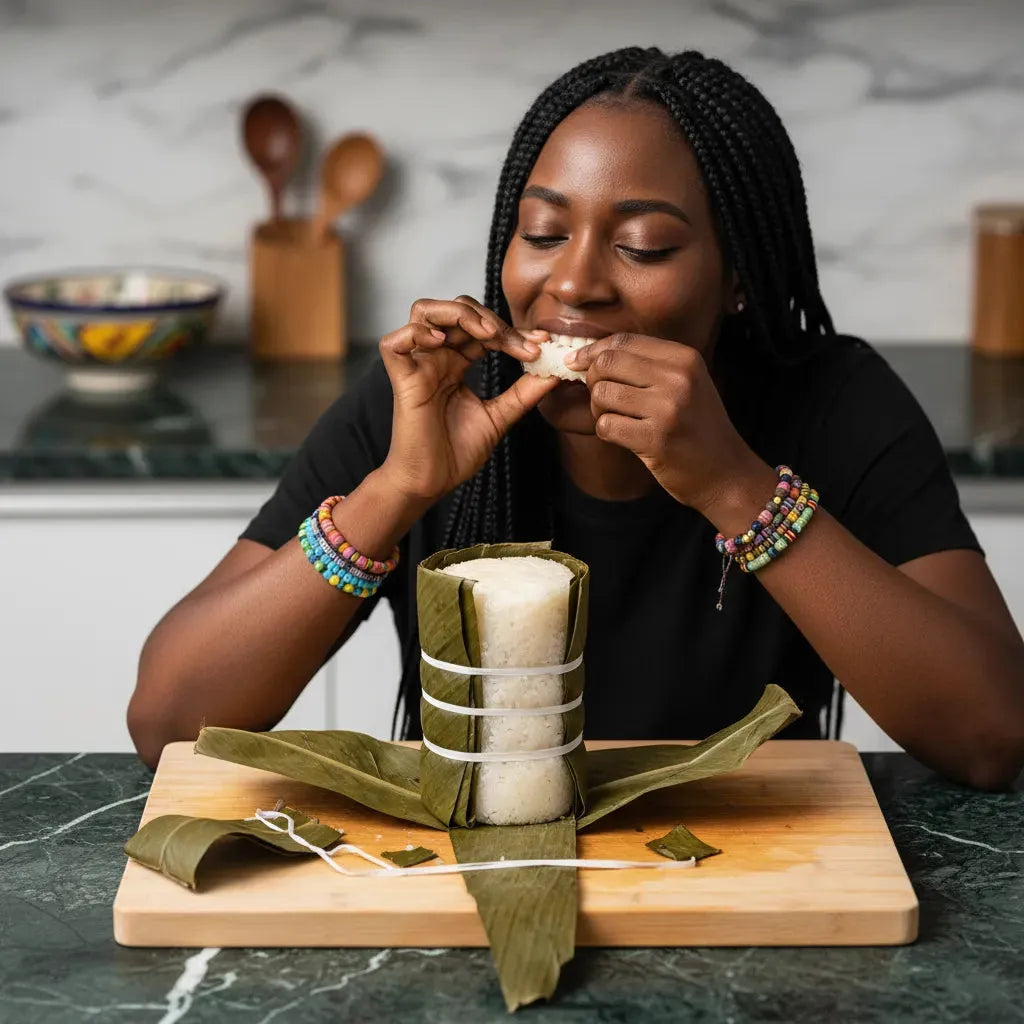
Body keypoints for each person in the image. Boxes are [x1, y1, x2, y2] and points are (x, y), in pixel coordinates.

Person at [128, 47, 1024, 788]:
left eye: (643, 246)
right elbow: (168, 720)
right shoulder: (429, 400)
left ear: (739, 280)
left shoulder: (833, 400)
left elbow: (993, 735)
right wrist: (397, 490)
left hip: (756, 878)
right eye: (544, 234)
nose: (574, 283)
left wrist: (736, 488)